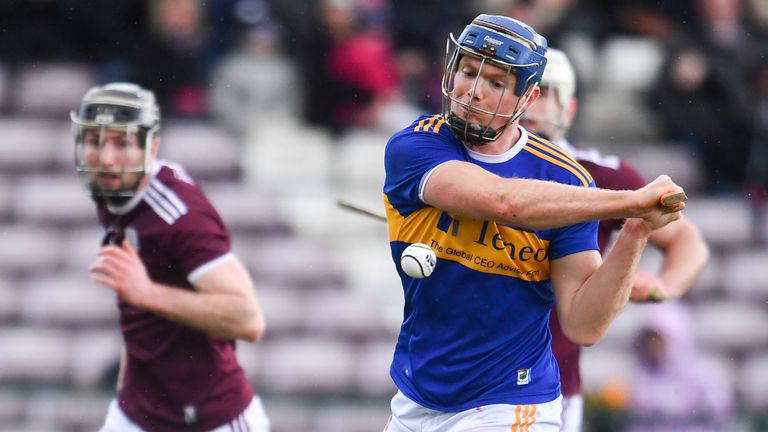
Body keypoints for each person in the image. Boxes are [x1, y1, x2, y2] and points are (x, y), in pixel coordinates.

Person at [382, 14, 687, 432]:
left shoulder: (568, 180)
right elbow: (501, 201)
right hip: (416, 397)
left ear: (528, 98)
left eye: (496, 82)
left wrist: (636, 228)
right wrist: (627, 200)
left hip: (512, 401)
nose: (473, 91)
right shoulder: (417, 146)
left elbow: (583, 323)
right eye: (468, 72)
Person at [521, 48, 710, 432]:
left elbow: (687, 243)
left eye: (546, 91)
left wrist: (662, 285)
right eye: (523, 91)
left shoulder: (601, 175)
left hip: (549, 386)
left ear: (568, 110)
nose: (532, 104)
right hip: (467, 381)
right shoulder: (472, 168)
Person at [71, 82, 270, 432]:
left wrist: (147, 293)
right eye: (94, 141)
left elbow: (248, 319)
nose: (106, 158)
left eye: (122, 143)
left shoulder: (179, 216)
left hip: (211, 420)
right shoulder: (115, 192)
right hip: (138, 413)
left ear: (152, 148)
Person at [627, 303, 734, 432]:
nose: (652, 346)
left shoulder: (703, 375)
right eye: (649, 339)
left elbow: (719, 411)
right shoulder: (641, 376)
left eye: (658, 339)